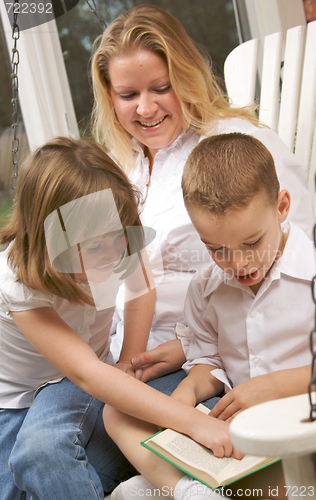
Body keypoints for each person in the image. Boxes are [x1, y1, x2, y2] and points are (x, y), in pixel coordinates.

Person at [0, 137, 240, 500]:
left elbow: (141, 291)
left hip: (80, 377)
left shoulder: (112, 231)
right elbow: (86, 373)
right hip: (20, 398)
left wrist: (128, 360)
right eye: (96, 248)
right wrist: (193, 423)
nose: (115, 254)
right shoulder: (19, 285)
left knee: (43, 449)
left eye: (119, 239)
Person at [103, 133, 316, 500]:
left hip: (309, 440)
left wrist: (272, 387)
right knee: (119, 437)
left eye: (252, 242)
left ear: (282, 206)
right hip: (237, 442)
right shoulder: (207, 288)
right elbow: (209, 361)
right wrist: (187, 394)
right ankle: (189, 490)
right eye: (217, 249)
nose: (238, 264)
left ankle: (187, 488)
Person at [91, 4, 315, 370]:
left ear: (185, 76)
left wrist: (194, 346)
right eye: (128, 95)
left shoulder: (238, 145)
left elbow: (295, 260)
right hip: (114, 352)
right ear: (110, 96)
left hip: (205, 358)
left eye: (161, 88)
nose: (145, 109)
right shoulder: (117, 167)